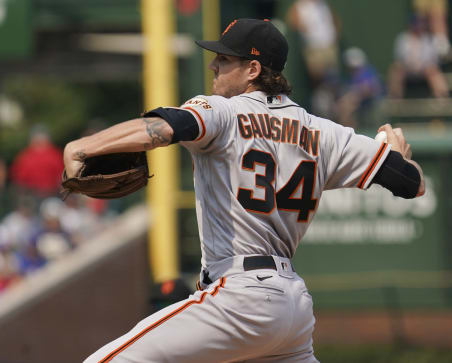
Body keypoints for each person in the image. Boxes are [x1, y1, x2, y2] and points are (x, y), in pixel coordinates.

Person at [63, 19, 425, 362]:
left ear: (254, 70)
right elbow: (412, 184)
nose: (213, 67)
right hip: (292, 307)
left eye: (224, 59)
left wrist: (84, 147)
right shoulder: (326, 133)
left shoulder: (223, 111)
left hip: (240, 295)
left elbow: (168, 127)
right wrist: (401, 159)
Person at [388, 14, 449, 99]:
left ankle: (442, 98)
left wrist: (421, 65)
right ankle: (395, 100)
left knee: (433, 70)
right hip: (407, 69)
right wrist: (410, 65)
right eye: (416, 24)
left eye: (420, 25)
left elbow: (432, 59)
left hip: (424, 69)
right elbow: (399, 58)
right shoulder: (402, 38)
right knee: (396, 69)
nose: (418, 27)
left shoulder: (428, 39)